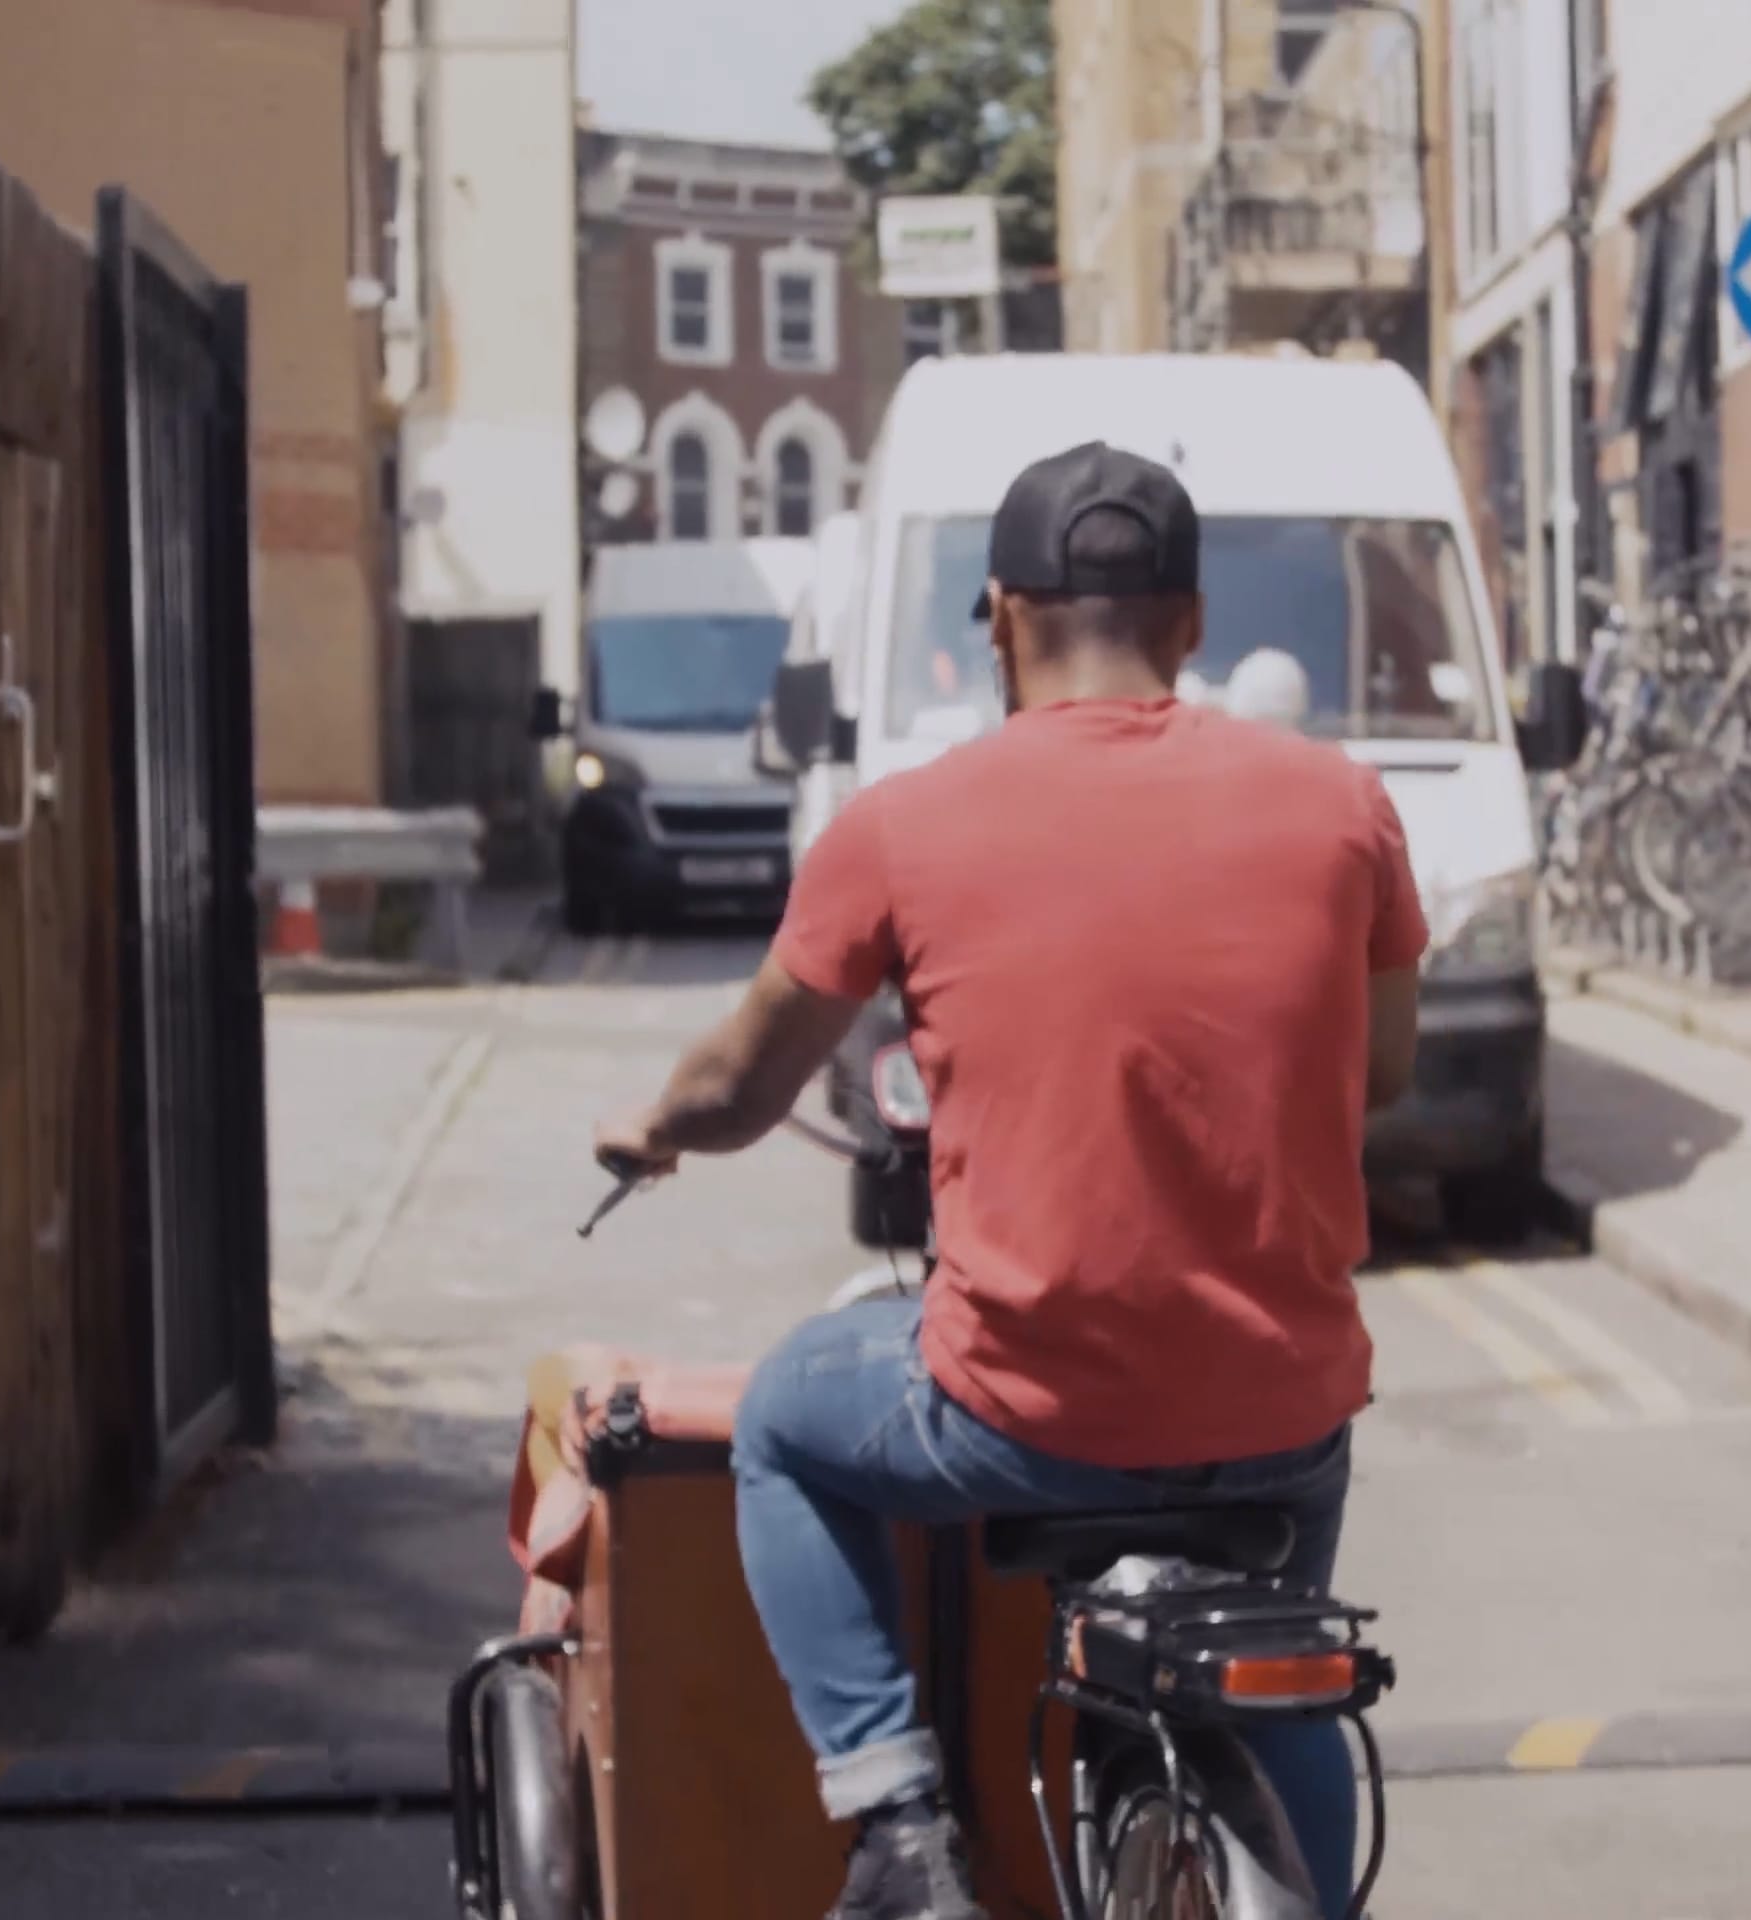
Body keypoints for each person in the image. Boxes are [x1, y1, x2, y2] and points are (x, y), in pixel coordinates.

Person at [594, 441, 1424, 1920]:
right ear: (1192, 623)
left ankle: (899, 1823)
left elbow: (738, 1088)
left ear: (998, 619)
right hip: (1283, 1414)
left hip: (1024, 1423)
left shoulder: (905, 827)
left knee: (788, 1415)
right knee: (1281, 1661)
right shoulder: (1344, 805)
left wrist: (654, 1129)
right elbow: (1386, 1075)